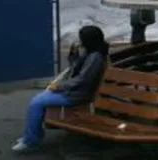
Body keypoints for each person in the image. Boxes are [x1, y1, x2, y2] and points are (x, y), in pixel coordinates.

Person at [12, 25, 109, 153]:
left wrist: (59, 87)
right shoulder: (90, 52)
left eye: (82, 39)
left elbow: (82, 79)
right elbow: (74, 69)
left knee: (36, 103)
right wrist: (73, 56)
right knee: (38, 100)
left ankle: (30, 140)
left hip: (77, 95)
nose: (80, 41)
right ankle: (31, 136)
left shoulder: (95, 57)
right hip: (75, 91)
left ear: (89, 40)